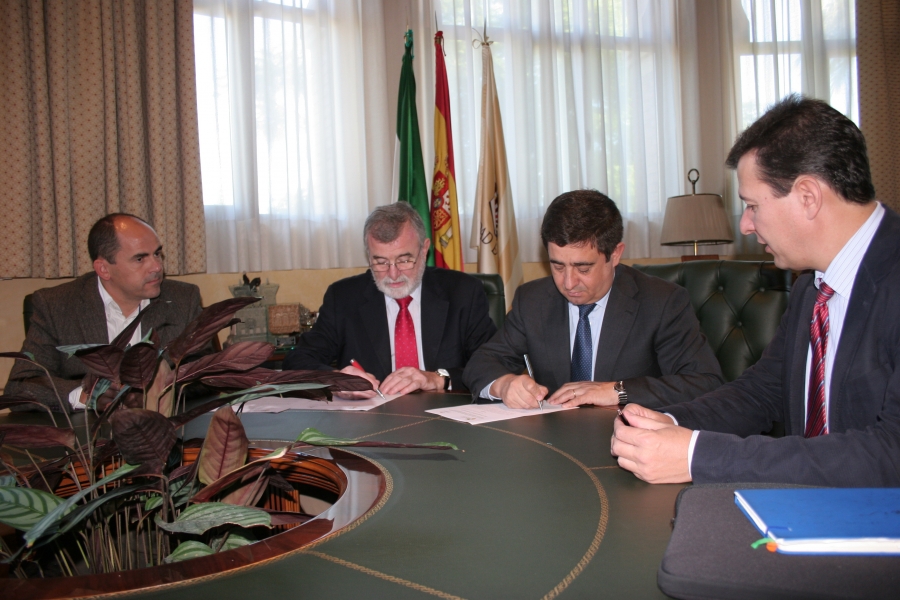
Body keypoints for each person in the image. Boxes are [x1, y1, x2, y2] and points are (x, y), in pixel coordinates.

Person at [612, 94, 900, 487]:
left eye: (752, 205)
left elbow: (891, 453)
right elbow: (763, 391)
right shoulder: (812, 288)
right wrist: (673, 423)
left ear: (808, 196)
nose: (746, 224)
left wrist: (699, 456)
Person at [462, 190, 724, 409]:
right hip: (554, 444)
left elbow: (704, 382)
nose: (568, 282)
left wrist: (617, 391)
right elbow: (481, 363)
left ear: (615, 254)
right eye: (557, 266)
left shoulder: (662, 301)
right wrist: (505, 384)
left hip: (630, 443)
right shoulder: (533, 300)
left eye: (583, 268)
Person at [282, 202, 497, 397]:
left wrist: (440, 378)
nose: (393, 275)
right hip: (373, 422)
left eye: (404, 260)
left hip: (446, 418)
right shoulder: (344, 298)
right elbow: (297, 361)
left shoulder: (463, 293)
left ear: (424, 249)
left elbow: (495, 363)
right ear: (369, 256)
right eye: (381, 262)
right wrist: (338, 379)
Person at [4, 213, 204, 412]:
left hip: (159, 432)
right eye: (140, 258)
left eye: (157, 253)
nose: (157, 266)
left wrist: (156, 391)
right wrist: (85, 395)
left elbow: (206, 376)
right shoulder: (56, 306)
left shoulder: (183, 299)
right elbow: (21, 386)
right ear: (104, 269)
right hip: (87, 437)